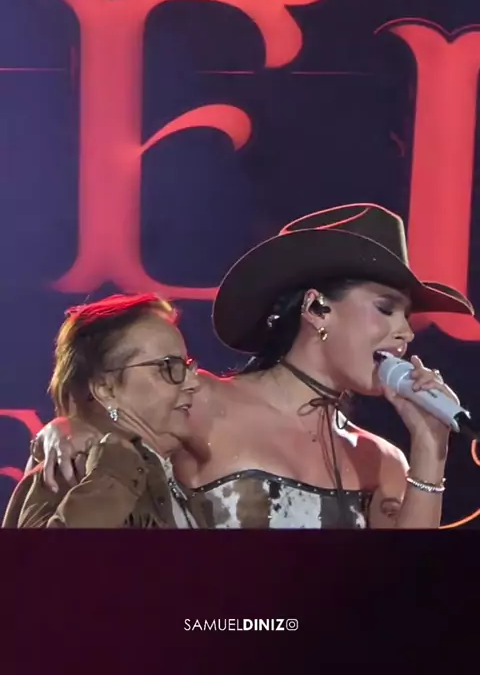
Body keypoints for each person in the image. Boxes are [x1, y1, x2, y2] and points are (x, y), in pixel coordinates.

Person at [25, 204, 474, 529]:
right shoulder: (198, 399)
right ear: (317, 309)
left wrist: (430, 449)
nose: (405, 332)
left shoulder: (384, 460)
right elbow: (106, 426)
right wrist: (65, 428)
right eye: (386, 309)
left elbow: (407, 590)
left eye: (407, 317)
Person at [3, 293, 211, 528]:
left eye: (186, 366)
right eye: (169, 366)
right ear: (106, 389)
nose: (193, 382)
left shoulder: (177, 475)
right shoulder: (70, 469)